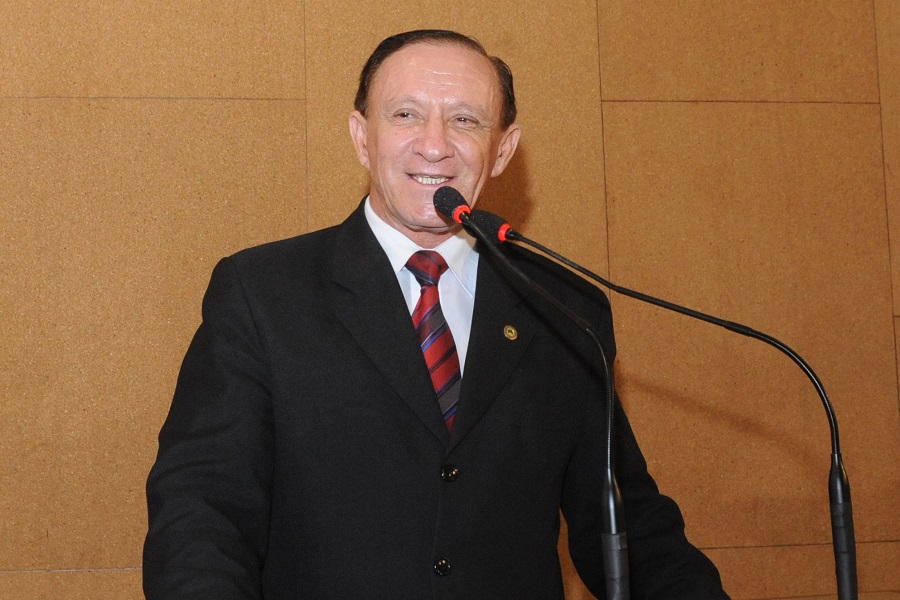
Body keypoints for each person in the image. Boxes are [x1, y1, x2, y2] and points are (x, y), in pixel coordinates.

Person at [143, 29, 730, 599]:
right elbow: (202, 511)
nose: (434, 145)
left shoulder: (562, 308)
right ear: (362, 137)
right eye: (406, 115)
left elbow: (627, 527)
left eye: (465, 120)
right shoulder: (262, 293)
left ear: (503, 149)